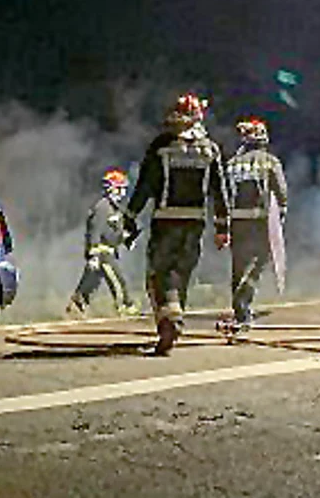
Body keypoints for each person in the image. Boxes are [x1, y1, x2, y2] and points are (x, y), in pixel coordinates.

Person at [125, 93, 230, 355]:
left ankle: (169, 321)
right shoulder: (210, 149)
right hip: (195, 222)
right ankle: (175, 316)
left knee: (159, 273)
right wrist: (222, 228)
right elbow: (220, 190)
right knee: (182, 272)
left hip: (165, 220)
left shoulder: (161, 146)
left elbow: (145, 185)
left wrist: (129, 216)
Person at [224, 118, 290, 330]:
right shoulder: (270, 161)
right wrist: (280, 216)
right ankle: (243, 303)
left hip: (236, 221)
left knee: (238, 264)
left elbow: (223, 194)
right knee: (258, 263)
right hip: (260, 221)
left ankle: (240, 310)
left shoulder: (232, 164)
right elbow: (281, 192)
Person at [64, 168, 140, 319]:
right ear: (113, 189)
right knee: (118, 281)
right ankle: (125, 306)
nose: (123, 193)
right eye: (121, 189)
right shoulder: (102, 207)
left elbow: (113, 232)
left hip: (109, 251)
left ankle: (77, 305)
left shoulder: (115, 209)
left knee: (90, 283)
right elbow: (94, 231)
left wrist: (125, 239)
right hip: (103, 254)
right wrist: (93, 255)